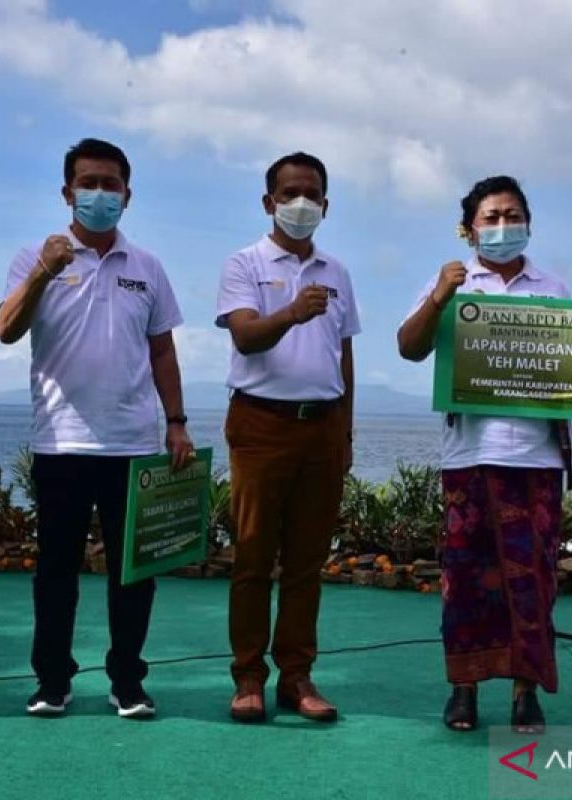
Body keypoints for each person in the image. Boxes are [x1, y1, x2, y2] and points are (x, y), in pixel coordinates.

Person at [397, 175, 572, 733]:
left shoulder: (555, 289)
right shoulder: (450, 283)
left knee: (534, 579)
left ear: (529, 223)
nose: (502, 225)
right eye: (491, 216)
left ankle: (526, 693)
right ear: (468, 228)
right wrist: (440, 296)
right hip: (468, 457)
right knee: (466, 579)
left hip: (538, 461)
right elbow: (408, 347)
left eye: (512, 214)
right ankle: (463, 690)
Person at [0, 138, 193, 719]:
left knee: (134, 573)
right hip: (60, 442)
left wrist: (176, 423)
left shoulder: (147, 266)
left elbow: (163, 352)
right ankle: (52, 682)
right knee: (55, 571)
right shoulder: (36, 255)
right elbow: (6, 330)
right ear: (67, 192)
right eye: (89, 183)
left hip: (132, 441)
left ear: (128, 195)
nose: (100, 194)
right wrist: (42, 273)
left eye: (111, 184)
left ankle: (127, 682)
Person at [216, 152, 359, 723]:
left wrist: (346, 432)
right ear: (268, 201)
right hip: (259, 424)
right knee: (252, 556)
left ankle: (296, 677)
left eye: (312, 194)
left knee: (306, 562)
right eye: (290, 192)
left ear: (325, 205)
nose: (301, 204)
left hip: (322, 425)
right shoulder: (244, 263)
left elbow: (343, 354)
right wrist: (293, 312)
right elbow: (246, 337)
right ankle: (248, 675)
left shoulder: (338, 272)